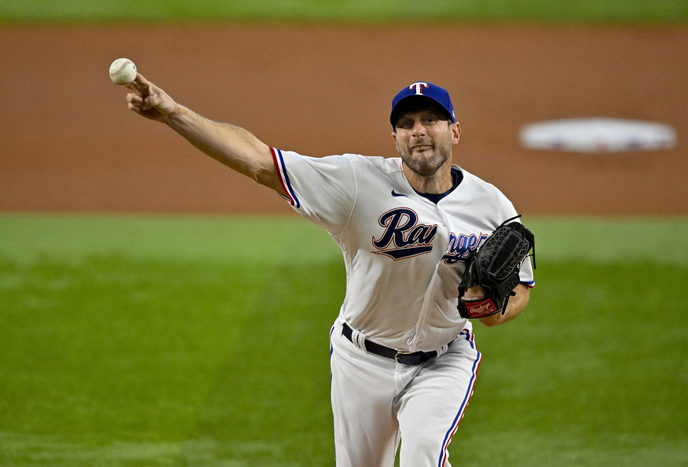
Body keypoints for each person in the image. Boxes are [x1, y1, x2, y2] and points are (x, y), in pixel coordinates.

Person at [122, 75, 535, 467]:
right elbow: (258, 161)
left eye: (431, 120)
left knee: (423, 452)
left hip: (443, 359)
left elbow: (519, 289)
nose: (419, 131)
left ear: (454, 131)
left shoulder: (492, 205)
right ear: (395, 138)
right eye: (406, 124)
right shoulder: (358, 182)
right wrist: (174, 113)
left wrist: (493, 309)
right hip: (362, 361)